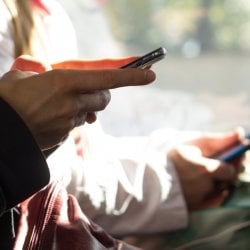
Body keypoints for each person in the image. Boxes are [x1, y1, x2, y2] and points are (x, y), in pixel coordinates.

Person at [0, 0, 244, 247]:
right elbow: (47, 180)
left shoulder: (53, 14)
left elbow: (92, 143)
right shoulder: (12, 19)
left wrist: (170, 151)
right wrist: (166, 182)